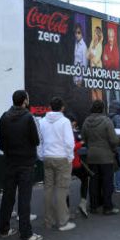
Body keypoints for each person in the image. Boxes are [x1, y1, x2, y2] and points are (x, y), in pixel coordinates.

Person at [0, 90, 42, 240]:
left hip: (9, 161)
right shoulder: (28, 117)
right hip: (26, 163)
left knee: (7, 196)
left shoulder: (4, 116)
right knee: (24, 198)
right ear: (24, 101)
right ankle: (26, 233)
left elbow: (0, 139)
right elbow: (36, 140)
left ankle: (4, 229)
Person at [37, 97, 75, 231]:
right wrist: (70, 157)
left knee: (48, 189)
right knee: (61, 189)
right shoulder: (65, 122)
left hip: (47, 157)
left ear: (49, 107)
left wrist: (41, 155)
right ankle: (63, 221)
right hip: (62, 158)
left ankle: (49, 221)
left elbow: (40, 140)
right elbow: (69, 143)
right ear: (62, 107)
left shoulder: (42, 121)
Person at [82, 100, 120, 215]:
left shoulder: (86, 121)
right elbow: (113, 140)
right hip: (106, 156)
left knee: (94, 181)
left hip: (91, 155)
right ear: (103, 108)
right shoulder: (107, 121)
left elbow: (84, 138)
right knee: (107, 182)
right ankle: (107, 207)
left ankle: (94, 206)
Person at [109, 100, 120, 193]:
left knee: (113, 167)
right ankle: (119, 186)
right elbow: (119, 131)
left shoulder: (107, 116)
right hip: (118, 145)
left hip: (110, 145)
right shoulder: (117, 117)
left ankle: (113, 185)